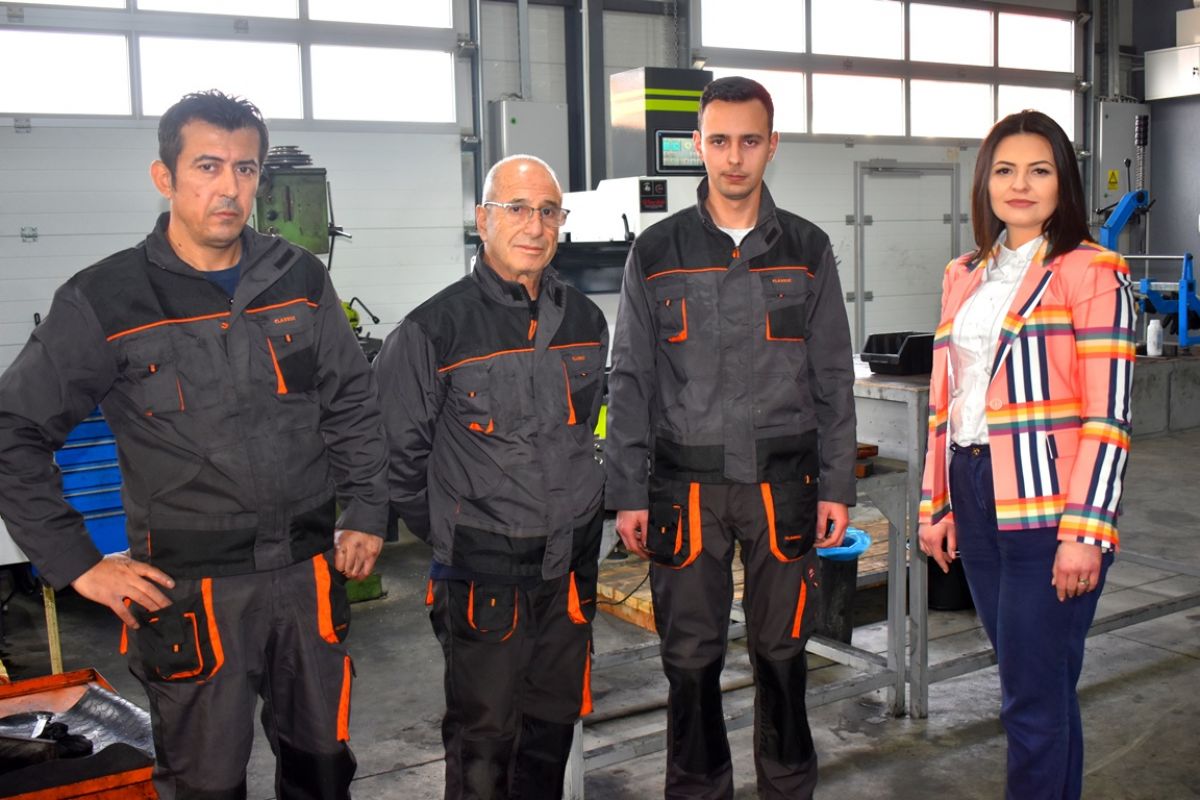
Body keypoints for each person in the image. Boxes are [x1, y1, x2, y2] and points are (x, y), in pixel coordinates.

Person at [0, 90, 389, 799]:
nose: (229, 188)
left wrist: (365, 507)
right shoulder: (107, 298)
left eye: (246, 168)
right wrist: (77, 563)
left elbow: (352, 401)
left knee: (324, 770)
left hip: (307, 577)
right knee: (206, 785)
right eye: (208, 166)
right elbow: (13, 430)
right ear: (165, 176)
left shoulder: (300, 278)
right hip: (191, 596)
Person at [604, 76, 857, 799]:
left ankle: (787, 786)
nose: (734, 157)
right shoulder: (657, 250)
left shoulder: (807, 248)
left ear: (772, 145)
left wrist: (837, 485)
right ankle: (697, 788)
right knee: (690, 659)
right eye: (719, 141)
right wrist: (627, 492)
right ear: (698, 146)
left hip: (784, 488)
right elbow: (631, 377)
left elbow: (833, 376)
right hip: (685, 491)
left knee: (783, 652)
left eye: (749, 140)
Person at [374, 155, 608, 800]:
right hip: (482, 571)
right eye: (517, 208)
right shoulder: (432, 329)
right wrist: (454, 530)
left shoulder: (586, 321)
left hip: (567, 568)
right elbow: (395, 458)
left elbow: (586, 430)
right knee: (484, 740)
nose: (535, 225)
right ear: (483, 220)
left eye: (548, 211)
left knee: (552, 729)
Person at [917, 109, 1135, 800]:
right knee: (1033, 684)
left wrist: (1085, 532)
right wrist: (937, 504)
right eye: (1005, 170)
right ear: (985, 182)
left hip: (1049, 506)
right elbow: (948, 400)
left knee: (1031, 698)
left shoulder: (1091, 270)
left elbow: (1109, 416)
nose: (1020, 185)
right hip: (973, 486)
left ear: (1063, 181)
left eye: (1039, 170)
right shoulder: (964, 273)